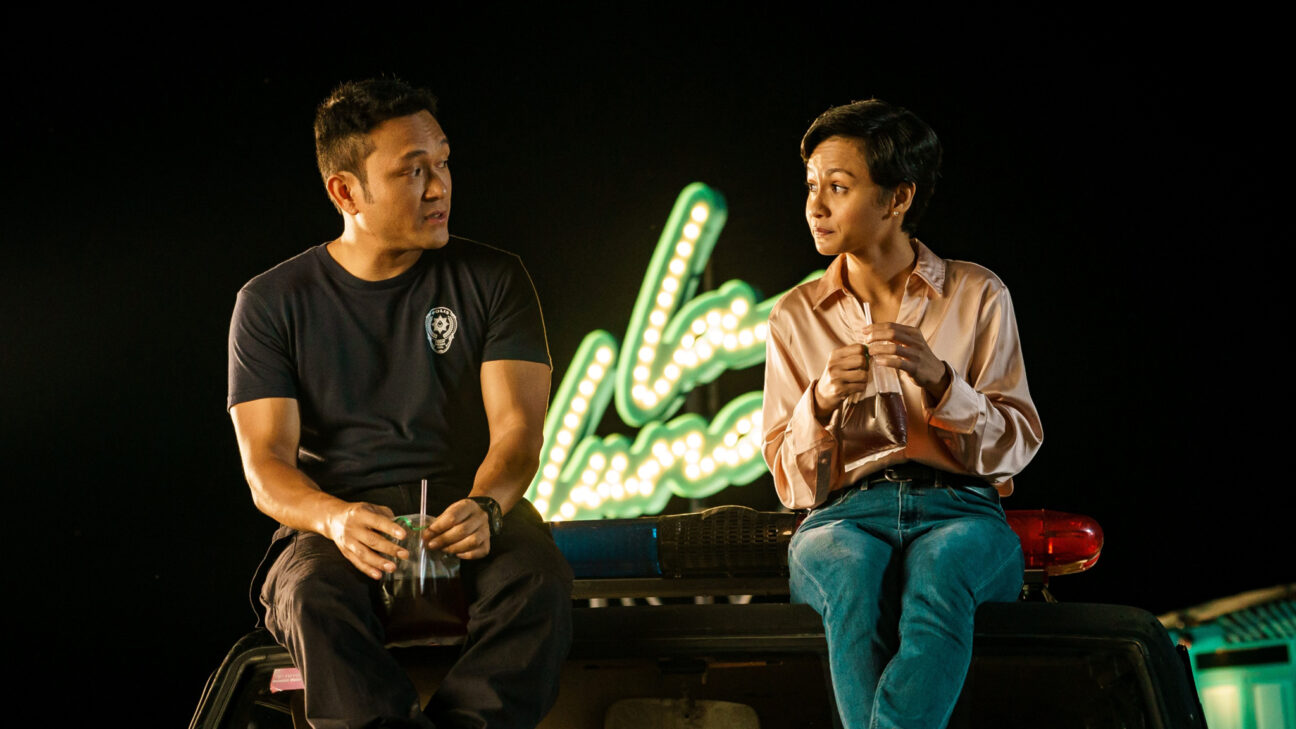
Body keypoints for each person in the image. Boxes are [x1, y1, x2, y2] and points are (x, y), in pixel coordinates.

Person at [227, 78, 573, 729]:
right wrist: (335, 519)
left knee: (539, 581)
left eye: (443, 163)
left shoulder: (496, 278)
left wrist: (488, 505)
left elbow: (519, 432)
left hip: (467, 507)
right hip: (337, 522)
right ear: (346, 192)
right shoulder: (270, 302)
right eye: (413, 172)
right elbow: (266, 465)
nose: (439, 187)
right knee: (310, 595)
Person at [761, 99, 1044, 729]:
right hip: (841, 517)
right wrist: (819, 401)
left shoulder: (978, 293)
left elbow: (1017, 445)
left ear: (898, 198)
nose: (815, 206)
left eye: (838, 187)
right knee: (850, 571)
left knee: (942, 570)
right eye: (811, 186)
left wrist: (944, 383)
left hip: (964, 510)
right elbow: (789, 481)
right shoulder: (794, 316)